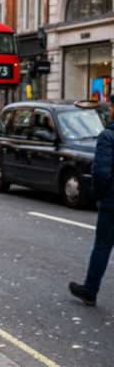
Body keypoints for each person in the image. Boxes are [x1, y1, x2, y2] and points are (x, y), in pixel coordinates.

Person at [70, 97, 114, 306]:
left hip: (111, 203)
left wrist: (97, 193)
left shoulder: (108, 136)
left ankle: (89, 290)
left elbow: (102, 171)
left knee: (102, 247)